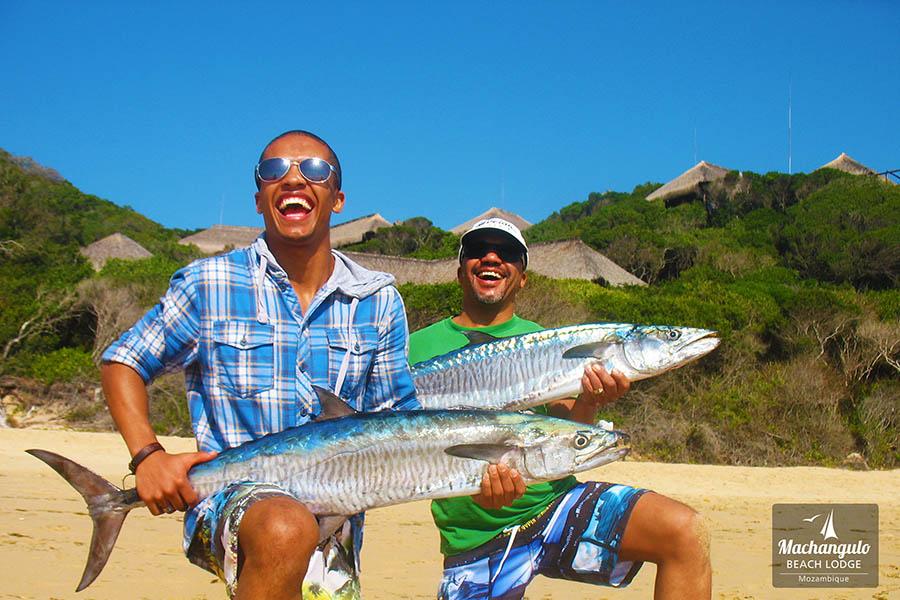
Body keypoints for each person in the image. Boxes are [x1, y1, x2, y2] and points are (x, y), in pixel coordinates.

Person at [101, 130, 419, 600]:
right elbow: (123, 362)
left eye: (313, 170)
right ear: (258, 200)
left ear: (337, 198)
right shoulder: (208, 284)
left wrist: (482, 473)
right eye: (274, 171)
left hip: (336, 518)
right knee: (284, 526)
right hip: (231, 501)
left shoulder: (378, 300)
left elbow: (400, 418)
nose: (293, 179)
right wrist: (148, 456)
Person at [408, 218, 712, 599]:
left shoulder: (543, 339)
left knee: (684, 531)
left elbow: (570, 428)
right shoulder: (413, 350)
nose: (491, 257)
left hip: (556, 507)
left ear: (522, 278)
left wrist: (590, 399)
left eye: (507, 253)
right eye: (477, 250)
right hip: (476, 536)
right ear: (460, 270)